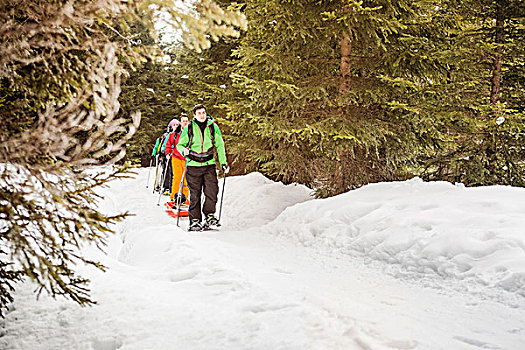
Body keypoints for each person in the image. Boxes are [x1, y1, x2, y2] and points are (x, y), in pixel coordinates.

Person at [176, 104, 229, 231]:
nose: (202, 115)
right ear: (194, 115)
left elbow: (220, 145)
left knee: (212, 191)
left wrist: (223, 162)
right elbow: (180, 145)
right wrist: (184, 150)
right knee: (195, 194)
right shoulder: (189, 127)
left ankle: (210, 215)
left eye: (203, 112)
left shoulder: (212, 127)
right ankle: (195, 220)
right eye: (199, 113)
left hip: (208, 164)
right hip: (193, 165)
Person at [164, 114, 190, 206]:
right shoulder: (174, 134)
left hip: (187, 159)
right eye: (183, 121)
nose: (185, 122)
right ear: (180, 122)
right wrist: (167, 153)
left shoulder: (191, 133)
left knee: (186, 179)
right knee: (177, 177)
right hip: (176, 157)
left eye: (187, 121)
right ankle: (174, 196)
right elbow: (168, 145)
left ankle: (185, 197)